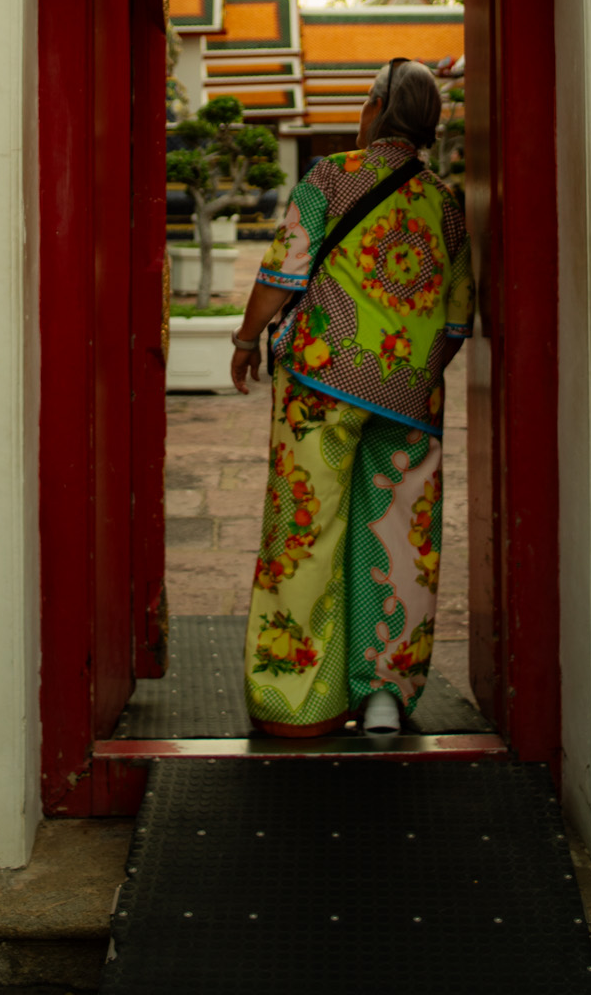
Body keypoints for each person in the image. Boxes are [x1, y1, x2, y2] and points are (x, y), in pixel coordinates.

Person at [230, 58, 473, 738]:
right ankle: (385, 698)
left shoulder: (330, 176)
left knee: (305, 531)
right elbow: (457, 321)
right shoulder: (444, 202)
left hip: (320, 383)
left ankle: (298, 700)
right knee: (399, 538)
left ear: (373, 108)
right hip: (409, 399)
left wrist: (248, 340)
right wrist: (410, 373)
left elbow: (284, 269)